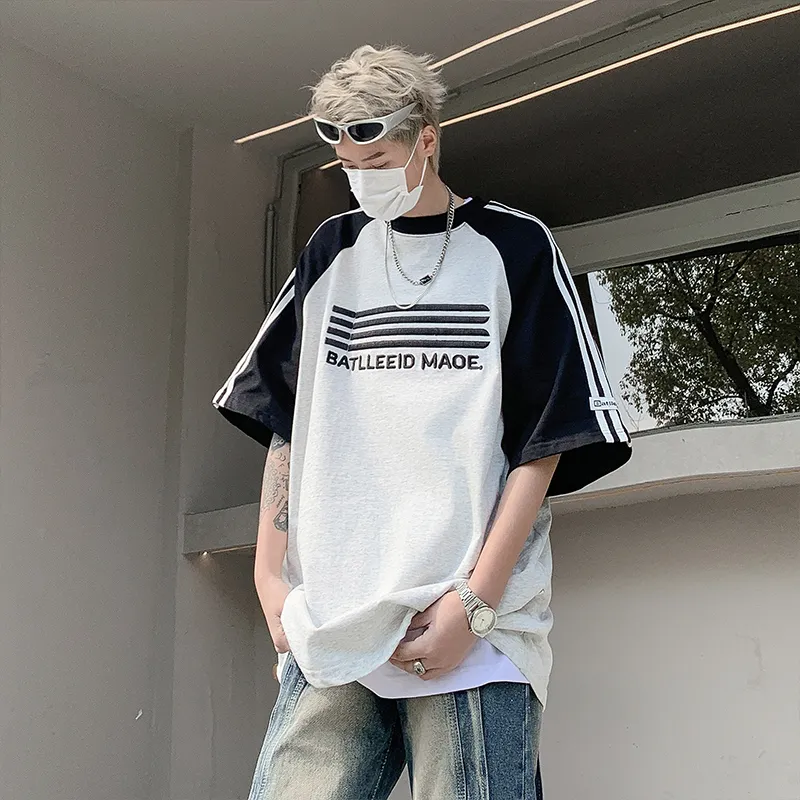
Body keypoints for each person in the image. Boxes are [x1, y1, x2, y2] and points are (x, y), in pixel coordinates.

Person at [213, 44, 632, 800]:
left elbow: (544, 442)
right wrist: (268, 576)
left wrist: (476, 604)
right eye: (346, 162)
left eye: (376, 158)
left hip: (465, 625)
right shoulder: (331, 250)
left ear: (426, 140)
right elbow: (287, 418)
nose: (359, 176)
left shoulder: (514, 247)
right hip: (332, 621)